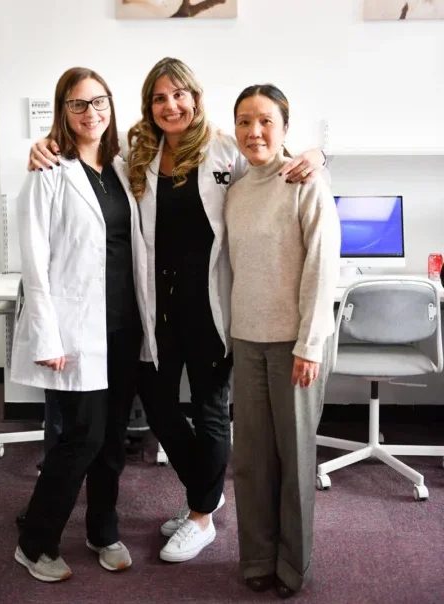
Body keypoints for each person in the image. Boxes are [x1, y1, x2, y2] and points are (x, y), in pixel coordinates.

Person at [28, 57, 327, 564]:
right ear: (148, 105)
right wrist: (41, 144)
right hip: (155, 308)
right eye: (159, 97)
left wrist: (322, 154)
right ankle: (208, 494)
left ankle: (202, 517)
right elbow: (85, 157)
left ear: (195, 96)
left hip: (209, 305)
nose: (171, 105)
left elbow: (275, 157)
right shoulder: (135, 153)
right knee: (161, 410)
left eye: (179, 95)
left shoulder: (225, 150)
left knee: (210, 412)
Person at [11, 67, 147, 582]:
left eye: (99, 101)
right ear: (63, 111)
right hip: (74, 331)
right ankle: (35, 541)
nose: (92, 112)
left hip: (121, 328)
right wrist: (47, 335)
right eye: (78, 104)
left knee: (113, 438)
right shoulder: (49, 170)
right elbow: (35, 259)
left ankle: (103, 529)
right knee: (81, 439)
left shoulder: (120, 165)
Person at [225, 84, 340, 598]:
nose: (254, 132)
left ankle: (293, 567)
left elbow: (322, 266)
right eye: (245, 121)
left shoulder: (306, 180)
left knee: (294, 461)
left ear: (285, 127)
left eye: (266, 121)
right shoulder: (234, 187)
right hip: (246, 340)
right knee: (251, 460)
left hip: (296, 344)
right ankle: (256, 559)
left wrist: (310, 344)